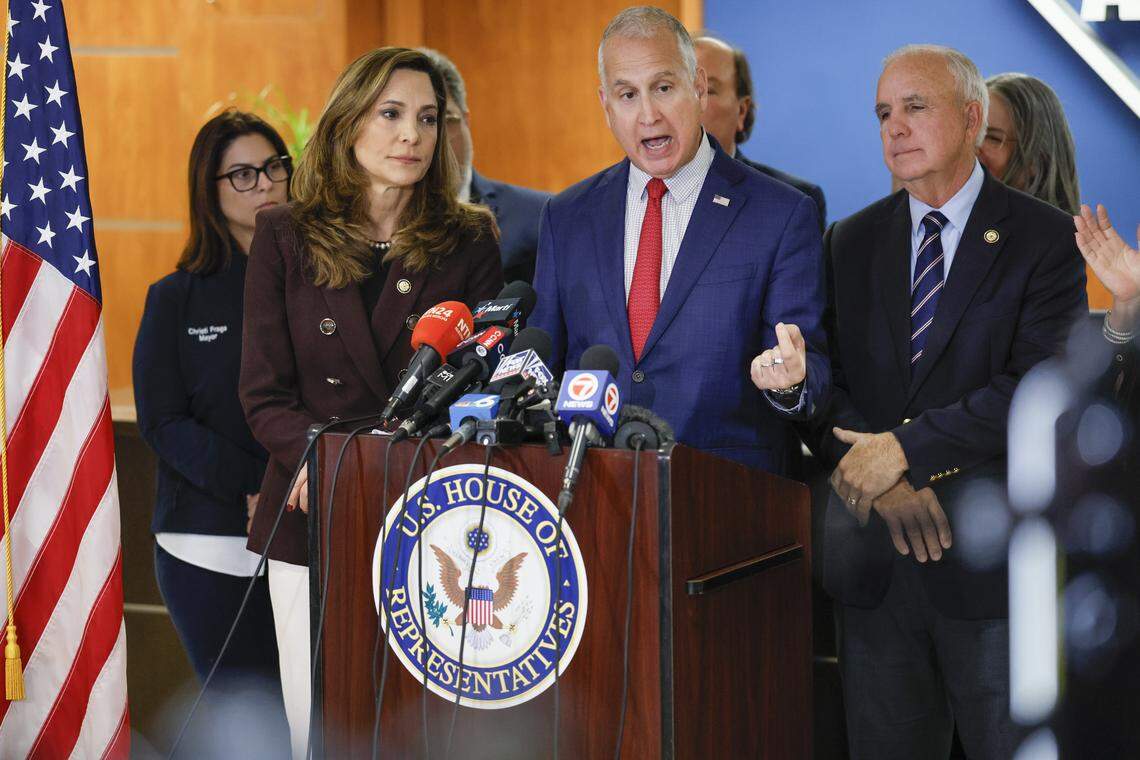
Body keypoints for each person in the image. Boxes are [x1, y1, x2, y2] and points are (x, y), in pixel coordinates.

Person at [801, 45, 1087, 759]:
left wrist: (907, 450)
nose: (894, 127)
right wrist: (887, 479)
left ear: (970, 117)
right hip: (875, 565)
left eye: (915, 107)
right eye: (883, 113)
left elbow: (1038, 386)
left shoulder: (1045, 238)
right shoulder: (850, 240)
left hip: (989, 567)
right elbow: (824, 386)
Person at [239, 48, 502, 758]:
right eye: (390, 115)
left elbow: (473, 389)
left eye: (426, 118)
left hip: (425, 518)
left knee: (416, 727)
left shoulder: (468, 238)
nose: (410, 136)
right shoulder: (282, 235)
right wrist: (324, 463)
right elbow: (262, 396)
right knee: (316, 726)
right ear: (349, 123)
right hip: (309, 511)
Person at [530, 6, 828, 475]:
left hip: (728, 494)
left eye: (663, 88)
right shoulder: (566, 216)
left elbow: (811, 369)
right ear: (606, 106)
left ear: (698, 87)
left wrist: (790, 384)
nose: (648, 114)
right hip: (594, 490)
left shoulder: (782, 213)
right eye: (627, 95)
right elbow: (543, 361)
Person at [133, 110, 291, 753]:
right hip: (208, 542)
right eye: (243, 175)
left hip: (306, 534)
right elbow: (163, 422)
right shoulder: (177, 296)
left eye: (275, 167)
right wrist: (255, 485)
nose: (265, 186)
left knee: (307, 718)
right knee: (249, 721)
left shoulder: (319, 281)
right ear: (211, 190)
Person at [418, 47, 552, 284]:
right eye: (426, 121)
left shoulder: (543, 216)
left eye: (444, 120)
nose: (433, 137)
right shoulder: (366, 230)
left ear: (466, 122)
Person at [693, 34, 827, 231]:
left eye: (708, 90)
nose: (689, 102)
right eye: (675, 88)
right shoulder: (641, 192)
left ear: (742, 111)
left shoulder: (791, 203)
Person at [978, 72, 1080, 214]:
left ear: (1037, 160)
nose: (971, 146)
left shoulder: (1057, 235)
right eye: (967, 131)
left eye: (993, 138)